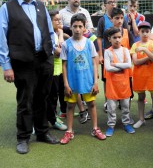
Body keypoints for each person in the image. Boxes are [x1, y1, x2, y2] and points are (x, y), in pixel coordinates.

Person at [0, 0, 59, 154]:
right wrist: (6, 66)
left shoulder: (41, 5)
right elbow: (1, 39)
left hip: (44, 59)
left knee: (43, 98)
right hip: (23, 62)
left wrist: (51, 48)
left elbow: (49, 29)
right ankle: (23, 138)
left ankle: (42, 132)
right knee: (26, 101)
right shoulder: (7, 8)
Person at [59, 14, 106, 144]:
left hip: (87, 81)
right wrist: (66, 84)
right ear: (71, 27)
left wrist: (95, 82)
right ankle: (69, 131)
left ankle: (95, 128)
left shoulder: (90, 43)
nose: (78, 29)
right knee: (70, 106)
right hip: (72, 82)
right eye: (75, 26)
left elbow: (94, 63)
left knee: (91, 104)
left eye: (80, 26)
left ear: (85, 28)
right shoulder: (66, 45)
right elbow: (64, 65)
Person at [130, 21, 153, 132]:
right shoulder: (135, 45)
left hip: (152, 76)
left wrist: (145, 50)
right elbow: (136, 62)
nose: (145, 34)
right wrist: (148, 57)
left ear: (150, 32)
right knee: (141, 98)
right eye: (142, 31)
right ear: (139, 33)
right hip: (139, 76)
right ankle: (141, 119)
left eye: (147, 31)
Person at [96, 0, 128, 112]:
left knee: (121, 76)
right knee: (107, 78)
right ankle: (107, 101)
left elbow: (125, 35)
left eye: (114, 1)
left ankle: (121, 100)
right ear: (105, 5)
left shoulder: (122, 19)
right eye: (110, 2)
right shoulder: (102, 20)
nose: (113, 4)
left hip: (121, 55)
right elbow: (99, 38)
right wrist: (100, 55)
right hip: (107, 55)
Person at [104, 27, 135, 137]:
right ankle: (111, 125)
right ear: (109, 39)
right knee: (111, 107)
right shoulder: (107, 52)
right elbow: (108, 68)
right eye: (114, 37)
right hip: (112, 85)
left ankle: (126, 123)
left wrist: (116, 65)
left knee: (126, 105)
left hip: (124, 84)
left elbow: (128, 65)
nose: (117, 39)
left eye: (119, 37)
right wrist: (122, 67)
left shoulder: (125, 50)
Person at [47, 10, 67, 131]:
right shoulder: (52, 34)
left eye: (60, 19)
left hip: (59, 69)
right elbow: (59, 52)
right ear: (50, 22)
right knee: (52, 97)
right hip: (51, 70)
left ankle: (53, 117)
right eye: (56, 20)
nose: (59, 21)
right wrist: (61, 34)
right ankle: (52, 120)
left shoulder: (56, 33)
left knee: (57, 94)